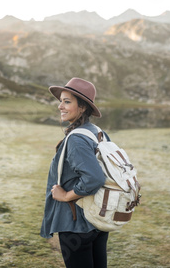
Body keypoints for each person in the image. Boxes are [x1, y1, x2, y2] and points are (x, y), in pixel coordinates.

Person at [40, 77, 109, 268]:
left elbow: (94, 178)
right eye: (61, 101)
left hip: (76, 224)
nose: (60, 106)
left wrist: (65, 196)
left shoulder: (77, 139)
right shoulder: (96, 132)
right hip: (97, 218)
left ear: (83, 107)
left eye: (67, 102)